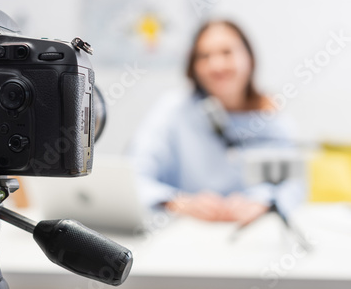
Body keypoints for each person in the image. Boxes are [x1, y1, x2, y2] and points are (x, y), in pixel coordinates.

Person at [129, 20, 304, 225]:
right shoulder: (173, 110)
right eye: (204, 56)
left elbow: (293, 186)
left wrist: (262, 203)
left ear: (249, 59)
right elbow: (134, 176)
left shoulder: (273, 119)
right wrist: (175, 201)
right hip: (185, 229)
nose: (216, 65)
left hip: (254, 231)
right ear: (193, 66)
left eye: (227, 52)